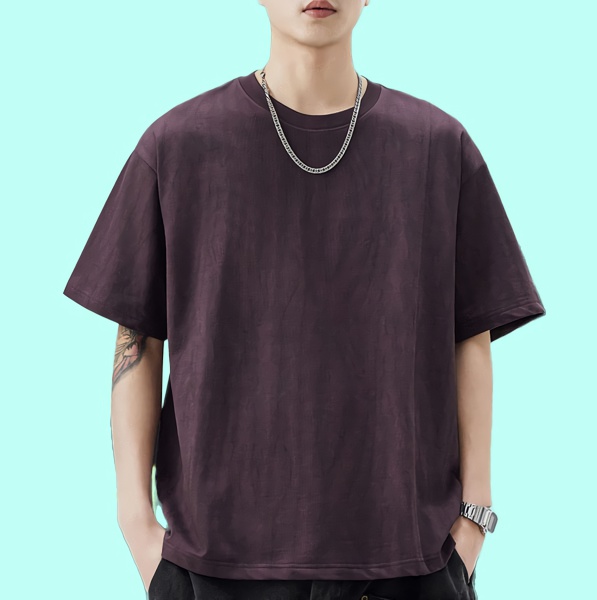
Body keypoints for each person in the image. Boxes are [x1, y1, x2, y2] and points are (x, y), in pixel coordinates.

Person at [63, 1, 547, 599]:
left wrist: (474, 518)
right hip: (213, 568)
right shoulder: (179, 144)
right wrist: (136, 524)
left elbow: (471, 333)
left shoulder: (437, 147)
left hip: (409, 564)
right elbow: (136, 335)